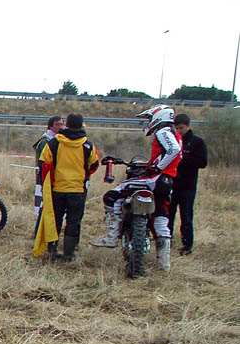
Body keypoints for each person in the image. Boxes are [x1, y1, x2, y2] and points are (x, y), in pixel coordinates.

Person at [90, 104, 182, 271]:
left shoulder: (163, 132)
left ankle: (112, 236)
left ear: (158, 116)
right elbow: (176, 152)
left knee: (112, 195)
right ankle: (164, 264)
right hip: (167, 182)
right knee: (161, 217)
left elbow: (173, 150)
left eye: (150, 118)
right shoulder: (176, 134)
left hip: (155, 178)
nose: (149, 122)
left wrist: (158, 167)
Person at [36, 113, 99, 261]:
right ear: (81, 125)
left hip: (57, 189)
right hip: (78, 190)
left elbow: (43, 163)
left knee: (55, 219)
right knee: (74, 221)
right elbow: (94, 165)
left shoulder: (54, 143)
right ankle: (69, 254)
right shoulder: (88, 145)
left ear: (67, 125)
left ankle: (52, 250)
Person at [168, 113, 207, 255]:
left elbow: (203, 162)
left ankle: (187, 246)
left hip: (188, 186)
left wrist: (184, 159)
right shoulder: (172, 141)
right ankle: (167, 242)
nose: (179, 131)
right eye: (176, 128)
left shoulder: (197, 142)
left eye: (181, 128)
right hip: (172, 184)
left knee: (186, 217)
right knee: (168, 215)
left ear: (188, 126)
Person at [33, 116, 64, 223]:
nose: (60, 127)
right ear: (50, 126)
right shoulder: (46, 140)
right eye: (57, 124)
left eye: (61, 124)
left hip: (54, 176)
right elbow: (43, 162)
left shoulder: (58, 139)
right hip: (45, 176)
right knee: (43, 205)